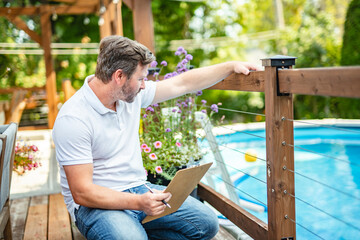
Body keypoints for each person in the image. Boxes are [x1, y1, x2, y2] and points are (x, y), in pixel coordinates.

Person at [52, 35, 260, 240]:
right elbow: (82, 193)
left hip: (140, 189)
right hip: (97, 206)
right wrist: (138, 203)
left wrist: (230, 66)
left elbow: (183, 83)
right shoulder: (74, 118)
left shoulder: (128, 96)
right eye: (141, 78)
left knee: (206, 223)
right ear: (119, 76)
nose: (144, 85)